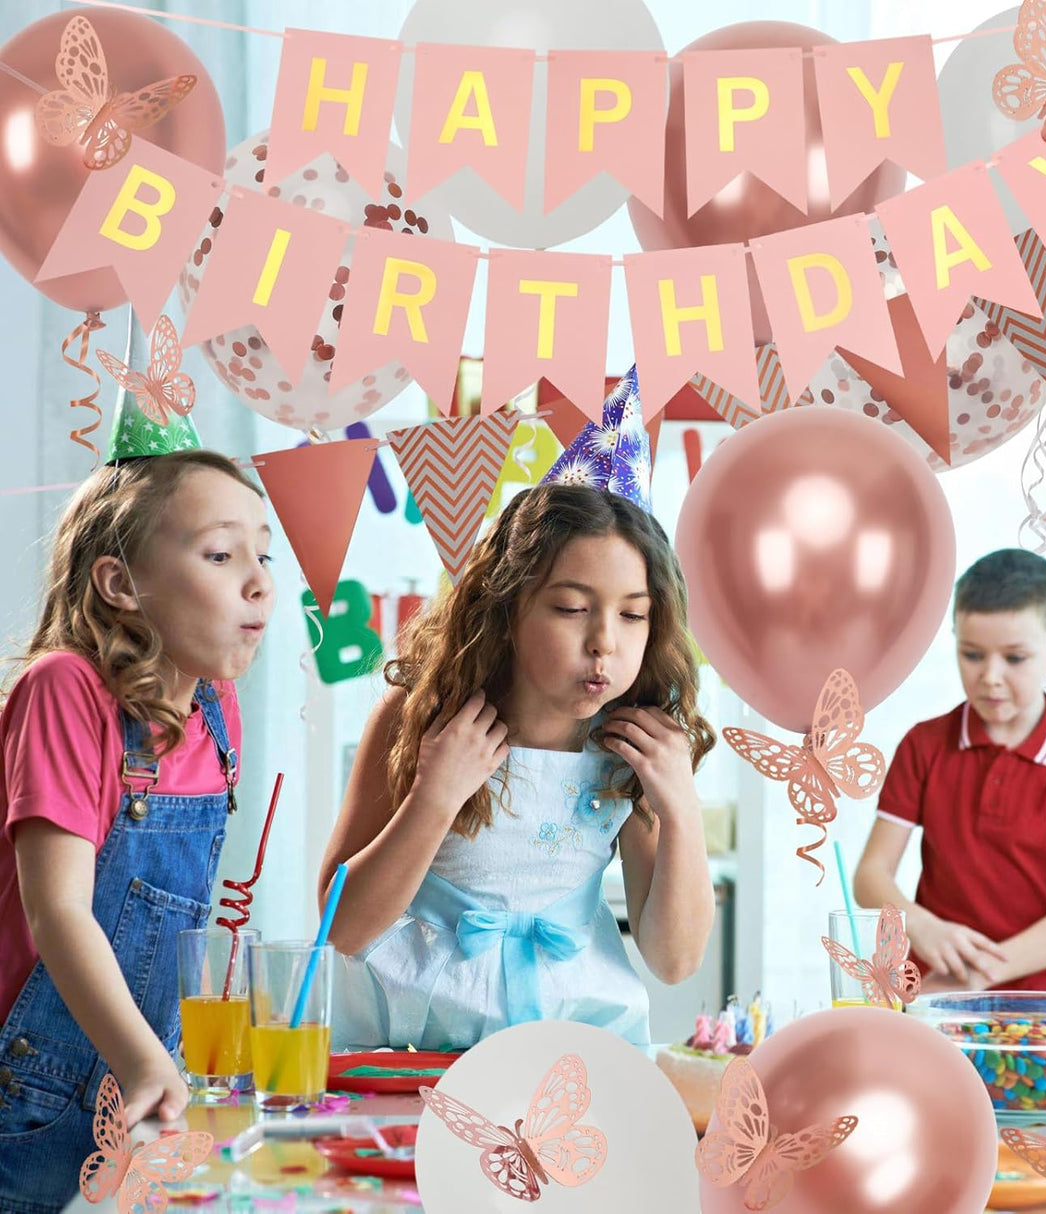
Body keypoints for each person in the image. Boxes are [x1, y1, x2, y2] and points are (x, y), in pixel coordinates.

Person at [323, 369, 716, 1050]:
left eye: (632, 616)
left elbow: (674, 962)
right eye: (571, 608)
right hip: (411, 1044)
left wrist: (679, 806)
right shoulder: (422, 715)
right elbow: (344, 929)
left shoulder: (629, 746)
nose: (604, 643)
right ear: (506, 609)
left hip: (575, 1045)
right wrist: (434, 797)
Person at [0, 428, 274, 1214]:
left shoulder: (216, 710)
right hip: (34, 1089)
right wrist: (144, 1061)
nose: (258, 582)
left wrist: (171, 1063)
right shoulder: (63, 690)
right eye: (222, 556)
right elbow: (58, 913)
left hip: (143, 1080)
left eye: (265, 557)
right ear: (121, 583)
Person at [854, 549, 1046, 992]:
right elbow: (870, 875)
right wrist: (920, 926)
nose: (990, 676)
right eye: (972, 654)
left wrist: (979, 974)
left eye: (1015, 658)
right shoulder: (924, 744)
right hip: (932, 995)